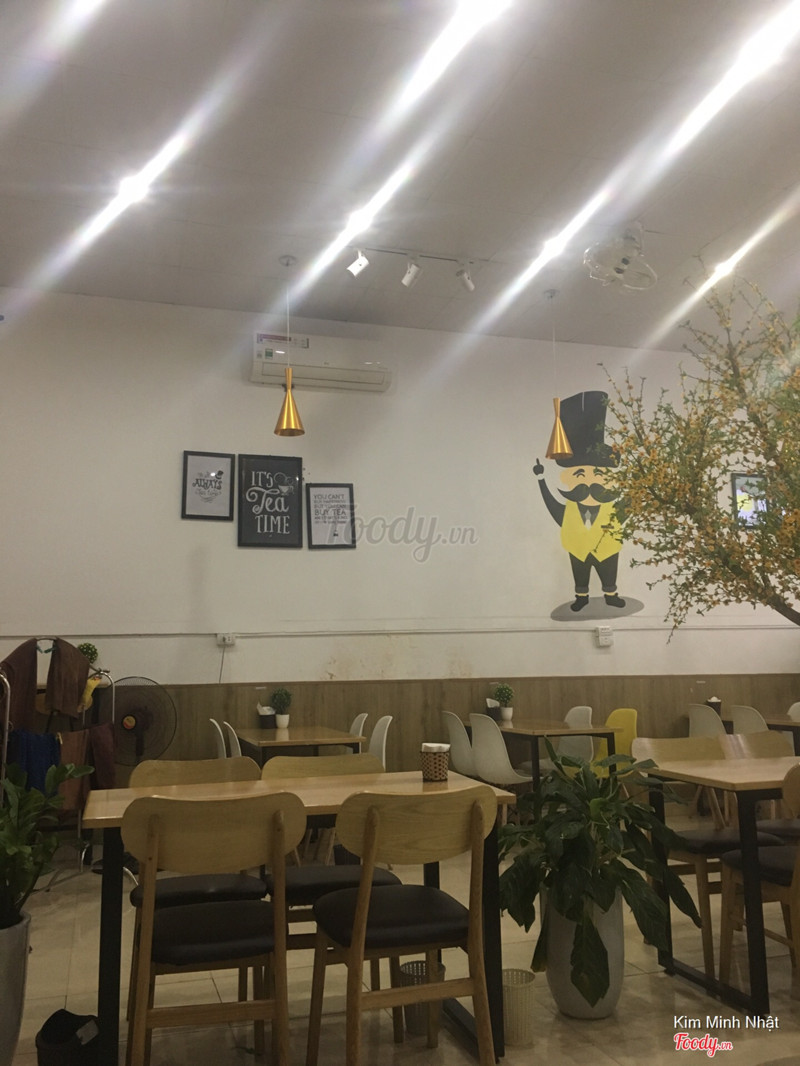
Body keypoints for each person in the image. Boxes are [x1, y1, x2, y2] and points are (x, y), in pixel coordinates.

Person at [533, 390, 625, 612]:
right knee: (580, 574)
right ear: (568, 477)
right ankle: (581, 597)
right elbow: (552, 506)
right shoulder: (570, 510)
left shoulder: (613, 508)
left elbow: (632, 505)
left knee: (609, 572)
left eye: (598, 474)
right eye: (580, 474)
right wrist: (541, 480)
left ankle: (610, 594)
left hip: (607, 549)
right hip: (578, 549)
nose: (590, 483)